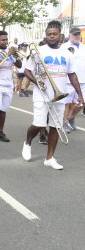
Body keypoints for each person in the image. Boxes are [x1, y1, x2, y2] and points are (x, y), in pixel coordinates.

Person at [21, 21, 84, 170]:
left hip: (59, 95)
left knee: (55, 127)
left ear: (60, 35)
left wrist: (80, 95)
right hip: (41, 94)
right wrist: (36, 81)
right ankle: (28, 142)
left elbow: (72, 75)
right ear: (46, 35)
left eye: (54, 34)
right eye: (49, 34)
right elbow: (27, 71)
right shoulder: (39, 51)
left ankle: (49, 158)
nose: (52, 37)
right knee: (39, 124)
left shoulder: (67, 53)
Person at [62, 27, 85, 132]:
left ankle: (71, 117)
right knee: (66, 103)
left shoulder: (83, 47)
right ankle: (64, 123)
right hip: (68, 80)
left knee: (81, 103)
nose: (77, 36)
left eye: (78, 34)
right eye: (75, 34)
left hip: (82, 80)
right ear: (70, 35)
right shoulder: (64, 47)